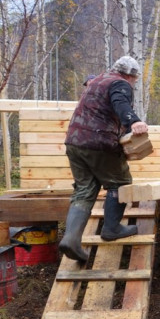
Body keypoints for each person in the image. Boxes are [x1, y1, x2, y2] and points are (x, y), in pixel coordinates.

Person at [59, 56, 149, 262]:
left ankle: (71, 239)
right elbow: (120, 103)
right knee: (120, 182)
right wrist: (133, 121)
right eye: (134, 78)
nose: (134, 82)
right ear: (130, 75)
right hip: (98, 142)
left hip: (74, 143)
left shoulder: (97, 81)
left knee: (84, 190)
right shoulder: (120, 84)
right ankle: (111, 229)